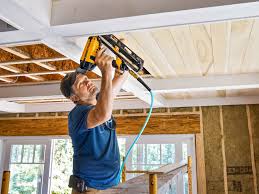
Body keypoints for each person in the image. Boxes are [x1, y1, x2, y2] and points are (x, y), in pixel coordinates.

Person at [60, 47, 128, 193]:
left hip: (109, 186)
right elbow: (103, 114)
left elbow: (120, 79)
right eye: (81, 84)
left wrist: (120, 60)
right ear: (74, 98)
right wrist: (106, 73)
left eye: (86, 79)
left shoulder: (101, 102)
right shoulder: (77, 115)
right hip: (90, 189)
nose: (88, 82)